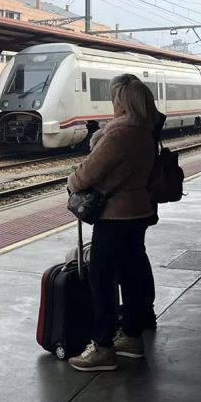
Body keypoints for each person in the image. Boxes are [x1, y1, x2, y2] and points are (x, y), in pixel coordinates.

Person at [66, 74, 159, 372]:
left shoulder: (120, 135)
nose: (113, 104)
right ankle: (131, 337)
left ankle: (102, 347)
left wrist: (72, 180)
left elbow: (87, 174)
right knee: (131, 275)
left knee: (101, 279)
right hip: (138, 213)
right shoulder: (146, 131)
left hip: (114, 216)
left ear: (123, 103)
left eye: (115, 99)